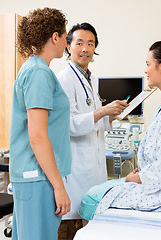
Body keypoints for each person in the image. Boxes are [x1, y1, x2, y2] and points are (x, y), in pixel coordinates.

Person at [78, 40, 161, 222]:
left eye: (147, 64)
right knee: (102, 189)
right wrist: (140, 173)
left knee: (92, 198)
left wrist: (136, 179)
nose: (145, 70)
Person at [56, 22, 128, 238]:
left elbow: (94, 122)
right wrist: (103, 111)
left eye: (90, 43)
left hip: (93, 170)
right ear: (69, 46)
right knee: (72, 229)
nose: (85, 49)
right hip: (76, 172)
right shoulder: (63, 80)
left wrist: (111, 115)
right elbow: (68, 125)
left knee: (89, 228)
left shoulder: (90, 79)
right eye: (79, 43)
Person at [9, 8, 71, 240]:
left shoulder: (34, 68)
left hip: (35, 176)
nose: (67, 42)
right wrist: (59, 187)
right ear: (55, 37)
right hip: (38, 177)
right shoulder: (38, 73)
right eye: (65, 36)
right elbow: (37, 135)